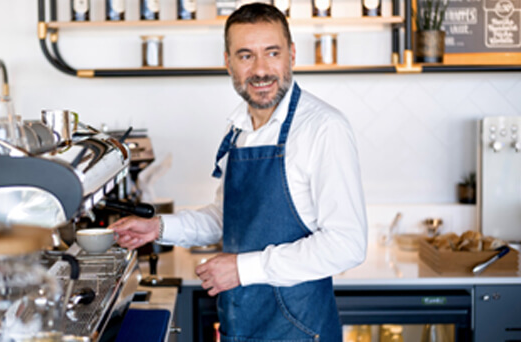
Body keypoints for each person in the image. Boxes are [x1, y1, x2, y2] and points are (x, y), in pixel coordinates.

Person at [109, 3, 367, 341]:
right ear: (228, 62)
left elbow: (347, 245)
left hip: (299, 333)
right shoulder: (238, 130)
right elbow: (225, 218)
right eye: (246, 56)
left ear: (291, 54)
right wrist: (158, 228)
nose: (261, 70)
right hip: (241, 326)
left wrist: (242, 269)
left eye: (271, 53)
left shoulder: (323, 128)